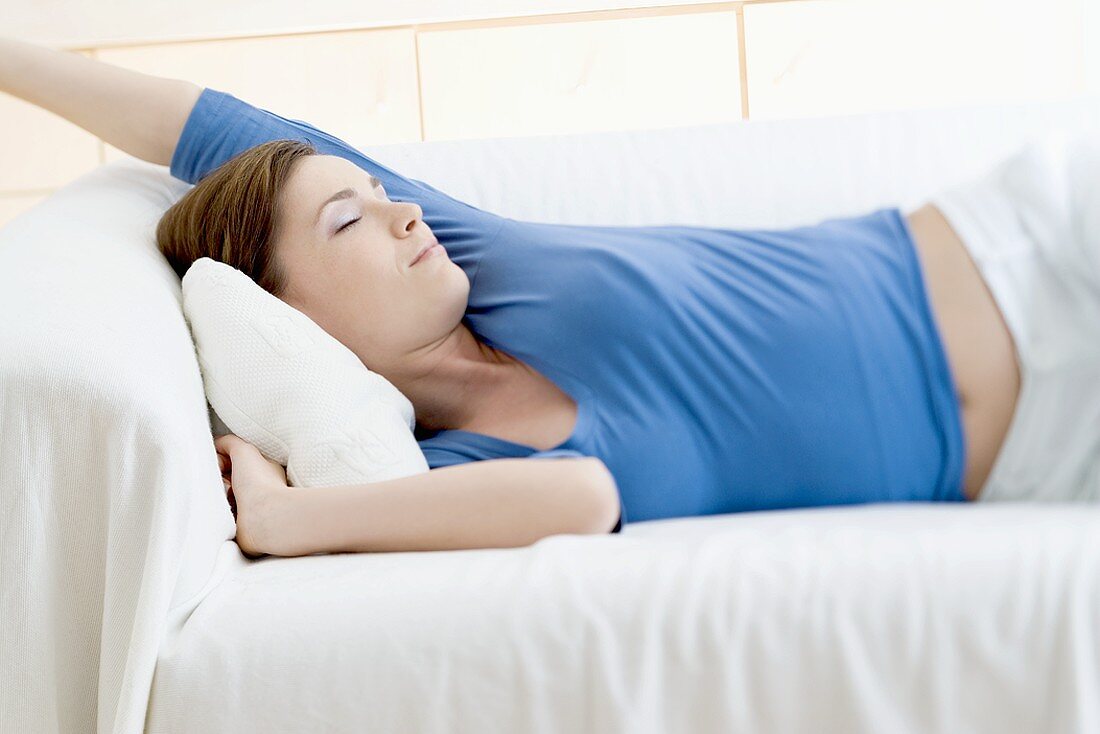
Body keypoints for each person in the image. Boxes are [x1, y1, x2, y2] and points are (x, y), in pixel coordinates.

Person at [7, 36, 1067, 559]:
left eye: (381, 195)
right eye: (349, 220)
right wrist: (283, 520)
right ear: (290, 317)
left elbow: (208, 122)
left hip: (1034, 245)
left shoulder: (482, 261)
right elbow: (582, 499)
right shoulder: (445, 467)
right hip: (1043, 449)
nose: (401, 215)